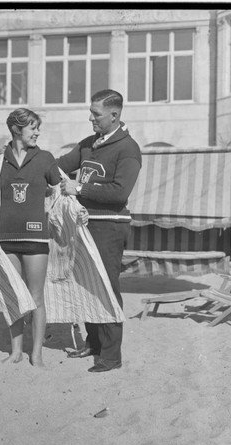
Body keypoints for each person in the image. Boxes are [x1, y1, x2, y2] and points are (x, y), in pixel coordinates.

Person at [59, 89, 142, 373]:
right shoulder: (87, 145)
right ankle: (93, 344)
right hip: (83, 225)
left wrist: (79, 187)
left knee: (105, 288)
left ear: (114, 115)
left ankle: (110, 356)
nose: (90, 117)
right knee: (85, 285)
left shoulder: (128, 148)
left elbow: (120, 193)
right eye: (91, 111)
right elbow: (58, 168)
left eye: (96, 113)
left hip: (110, 227)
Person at [0, 108, 62, 368]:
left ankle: (36, 353)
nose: (37, 132)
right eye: (32, 128)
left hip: (37, 237)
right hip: (5, 238)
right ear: (17, 129)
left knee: (36, 296)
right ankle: (16, 351)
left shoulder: (46, 158)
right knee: (12, 297)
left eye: (38, 127)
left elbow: (61, 190)